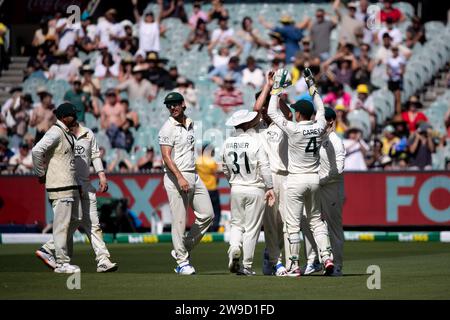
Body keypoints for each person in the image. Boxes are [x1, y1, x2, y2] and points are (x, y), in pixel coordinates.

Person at [267, 68, 334, 276]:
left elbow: (271, 112)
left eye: (295, 111)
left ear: (298, 114)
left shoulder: (293, 129)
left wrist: (276, 87)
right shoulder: (319, 125)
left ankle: (294, 265)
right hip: (313, 179)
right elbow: (321, 109)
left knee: (293, 224)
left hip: (295, 180)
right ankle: (327, 256)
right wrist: (311, 85)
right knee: (316, 220)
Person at [35, 122, 118, 273]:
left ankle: (103, 260)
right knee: (72, 221)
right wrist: (42, 173)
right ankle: (49, 249)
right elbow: (43, 153)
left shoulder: (87, 133)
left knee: (93, 224)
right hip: (69, 185)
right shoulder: (61, 134)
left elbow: (95, 155)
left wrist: (101, 175)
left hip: (85, 184)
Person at [158, 92, 214, 275]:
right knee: (179, 221)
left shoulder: (190, 123)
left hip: (193, 175)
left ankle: (182, 248)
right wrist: (180, 177)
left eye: (175, 104)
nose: (172, 107)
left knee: (208, 215)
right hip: (176, 178)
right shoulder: (167, 128)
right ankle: (182, 263)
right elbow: (166, 157)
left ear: (183, 104)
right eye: (169, 105)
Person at [222, 109, 275, 275]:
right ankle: (246, 266)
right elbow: (264, 166)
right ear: (246, 124)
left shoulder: (227, 142)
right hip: (255, 188)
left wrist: (233, 181)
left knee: (236, 224)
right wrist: (270, 187)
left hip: (236, 187)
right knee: (252, 229)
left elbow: (225, 168)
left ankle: (234, 247)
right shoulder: (256, 141)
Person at [32, 103, 80, 274]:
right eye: (73, 115)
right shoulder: (55, 131)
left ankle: (48, 249)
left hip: (70, 186)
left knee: (76, 219)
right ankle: (62, 263)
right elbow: (37, 150)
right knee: (62, 225)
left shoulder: (66, 133)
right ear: (64, 117)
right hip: (60, 186)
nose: (76, 118)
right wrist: (40, 174)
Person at [253, 72, 291, 276]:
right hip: (267, 179)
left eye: (269, 105)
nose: (266, 109)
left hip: (285, 176)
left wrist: (278, 93)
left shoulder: (280, 123)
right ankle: (276, 262)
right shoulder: (255, 125)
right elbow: (257, 109)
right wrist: (268, 86)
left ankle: (273, 254)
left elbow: (291, 115)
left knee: (285, 221)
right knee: (270, 223)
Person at [302, 107, 346, 276]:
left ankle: (338, 266)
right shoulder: (318, 139)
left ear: (330, 121)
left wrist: (321, 180)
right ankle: (315, 261)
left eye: (319, 120)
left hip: (332, 189)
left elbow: (339, 169)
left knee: (334, 227)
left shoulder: (335, 141)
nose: (316, 124)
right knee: (307, 220)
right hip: (318, 187)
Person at [196, 144, 221, 232]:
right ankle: (214, 228)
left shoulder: (198, 161)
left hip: (202, 189)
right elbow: (216, 175)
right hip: (212, 188)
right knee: (216, 210)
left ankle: (205, 229)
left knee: (204, 211)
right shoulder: (211, 162)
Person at [387, 46, 406, 115]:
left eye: (396, 50)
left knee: (398, 98)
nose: (394, 52)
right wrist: (390, 73)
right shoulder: (389, 59)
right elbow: (387, 69)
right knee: (392, 98)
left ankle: (398, 113)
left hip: (398, 80)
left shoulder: (400, 59)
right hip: (391, 80)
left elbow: (402, 70)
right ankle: (392, 113)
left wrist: (398, 73)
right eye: (393, 50)